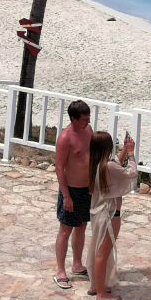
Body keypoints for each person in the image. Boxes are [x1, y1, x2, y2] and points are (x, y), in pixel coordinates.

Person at [87, 130, 137, 300]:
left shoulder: (95, 164)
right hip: (110, 214)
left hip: (98, 213)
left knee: (98, 251)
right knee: (103, 253)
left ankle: (96, 286)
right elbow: (131, 173)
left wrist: (124, 150)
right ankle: (101, 293)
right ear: (108, 148)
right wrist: (131, 153)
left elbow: (114, 163)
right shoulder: (108, 167)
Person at [54, 99, 94, 288]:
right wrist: (66, 196)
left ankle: (77, 264)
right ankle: (60, 271)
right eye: (84, 119)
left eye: (88, 118)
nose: (88, 122)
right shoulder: (65, 138)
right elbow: (59, 168)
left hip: (87, 189)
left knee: (82, 226)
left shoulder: (89, 130)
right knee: (65, 229)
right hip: (71, 189)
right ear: (74, 119)